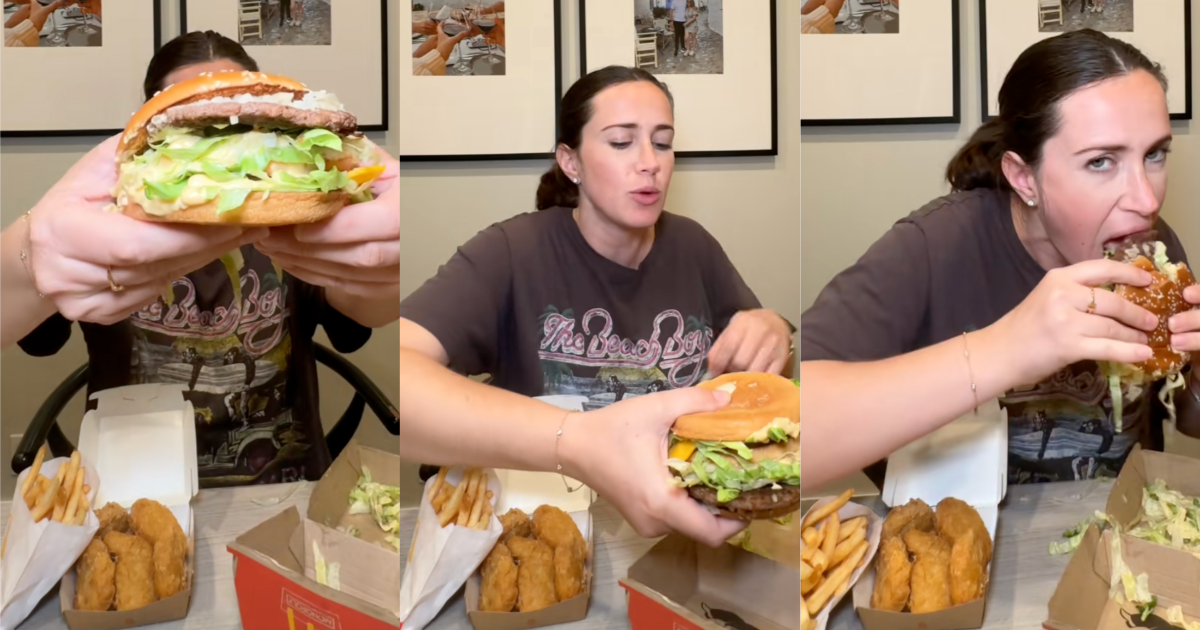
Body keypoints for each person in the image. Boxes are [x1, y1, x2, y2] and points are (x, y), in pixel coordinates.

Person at [398, 66, 794, 545]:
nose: (650, 162)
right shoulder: (510, 252)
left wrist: (774, 331)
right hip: (544, 528)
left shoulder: (694, 247)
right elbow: (403, 379)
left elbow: (759, 389)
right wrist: (577, 441)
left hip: (679, 535)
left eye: (663, 143)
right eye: (621, 142)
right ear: (571, 162)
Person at [800, 30, 1200, 492]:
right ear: (1023, 178)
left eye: (1154, 154)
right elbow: (795, 426)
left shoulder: (1154, 247)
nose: (1146, 199)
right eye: (1100, 162)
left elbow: (1187, 419)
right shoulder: (933, 246)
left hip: (1117, 538)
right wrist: (1005, 348)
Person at [11, 30, 401, 488]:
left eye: (239, 121)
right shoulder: (100, 225)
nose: (222, 132)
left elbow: (358, 318)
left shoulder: (301, 225)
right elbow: (36, 336)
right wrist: (28, 253)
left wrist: (390, 269)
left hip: (283, 481)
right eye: (198, 126)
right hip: (130, 481)